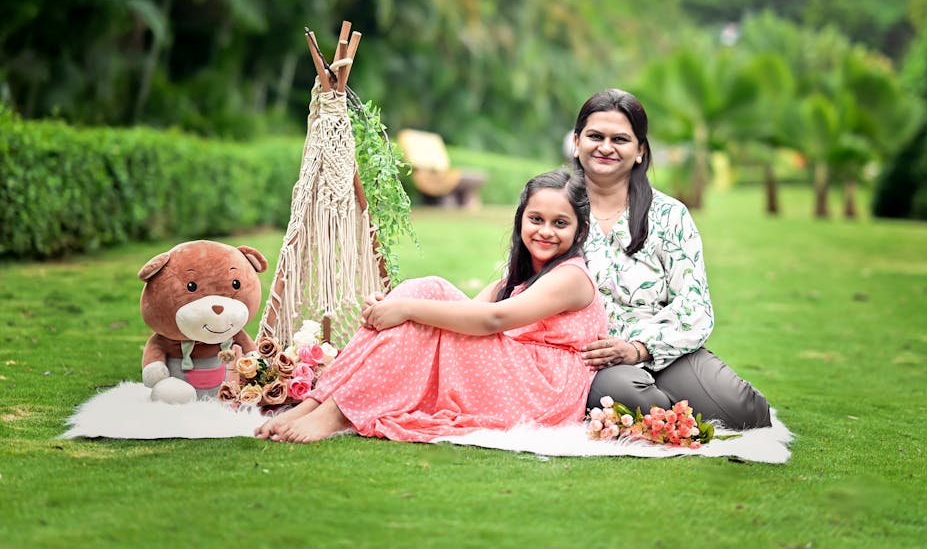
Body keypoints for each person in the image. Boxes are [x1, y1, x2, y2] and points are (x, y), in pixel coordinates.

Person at [255, 169, 608, 443]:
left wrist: (406, 309)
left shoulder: (572, 277)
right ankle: (317, 404)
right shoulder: (519, 275)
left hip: (543, 391)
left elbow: (491, 319)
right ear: (521, 220)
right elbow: (463, 316)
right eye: (536, 219)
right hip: (519, 374)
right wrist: (393, 307)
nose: (546, 231)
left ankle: (334, 411)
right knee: (426, 296)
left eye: (560, 223)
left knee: (430, 291)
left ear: (580, 230)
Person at [573, 88, 771, 429]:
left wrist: (638, 348)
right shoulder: (556, 209)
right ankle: (668, 412)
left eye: (620, 139)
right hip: (595, 359)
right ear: (577, 143)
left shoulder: (669, 215)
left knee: (745, 412)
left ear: (640, 151)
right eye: (595, 136)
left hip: (662, 346)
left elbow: (695, 306)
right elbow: (520, 282)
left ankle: (672, 405)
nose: (606, 147)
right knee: (632, 396)